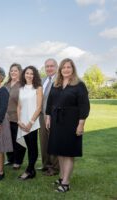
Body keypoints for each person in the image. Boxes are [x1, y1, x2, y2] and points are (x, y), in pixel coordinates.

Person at [46, 58, 90, 193]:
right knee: (60, 151)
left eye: (68, 67)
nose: (66, 69)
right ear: (60, 70)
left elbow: (84, 106)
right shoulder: (56, 84)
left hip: (72, 122)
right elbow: (50, 102)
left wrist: (81, 124)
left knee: (69, 152)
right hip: (57, 121)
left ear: (73, 69)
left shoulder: (79, 85)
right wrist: (48, 117)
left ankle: (66, 183)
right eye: (63, 67)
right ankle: (61, 177)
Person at [17, 66, 43, 180]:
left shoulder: (38, 88)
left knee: (32, 147)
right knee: (28, 146)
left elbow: (39, 107)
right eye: (27, 73)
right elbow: (19, 106)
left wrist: (30, 123)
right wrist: (19, 121)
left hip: (32, 122)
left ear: (35, 75)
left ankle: (29, 170)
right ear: (24, 74)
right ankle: (31, 171)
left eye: (31, 73)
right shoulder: (21, 88)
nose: (29, 75)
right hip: (22, 122)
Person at [39, 58, 59, 176]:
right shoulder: (43, 80)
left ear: (56, 67)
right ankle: (46, 165)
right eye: (47, 66)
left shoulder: (59, 80)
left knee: (53, 141)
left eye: (51, 66)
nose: (49, 68)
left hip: (53, 116)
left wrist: (50, 115)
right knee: (43, 141)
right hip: (41, 116)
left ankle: (55, 167)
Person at [4, 63, 26, 170]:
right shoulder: (6, 85)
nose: (13, 72)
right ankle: (10, 158)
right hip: (5, 117)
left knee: (18, 140)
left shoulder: (23, 85)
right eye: (11, 70)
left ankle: (18, 161)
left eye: (15, 71)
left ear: (20, 72)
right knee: (8, 139)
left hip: (17, 117)